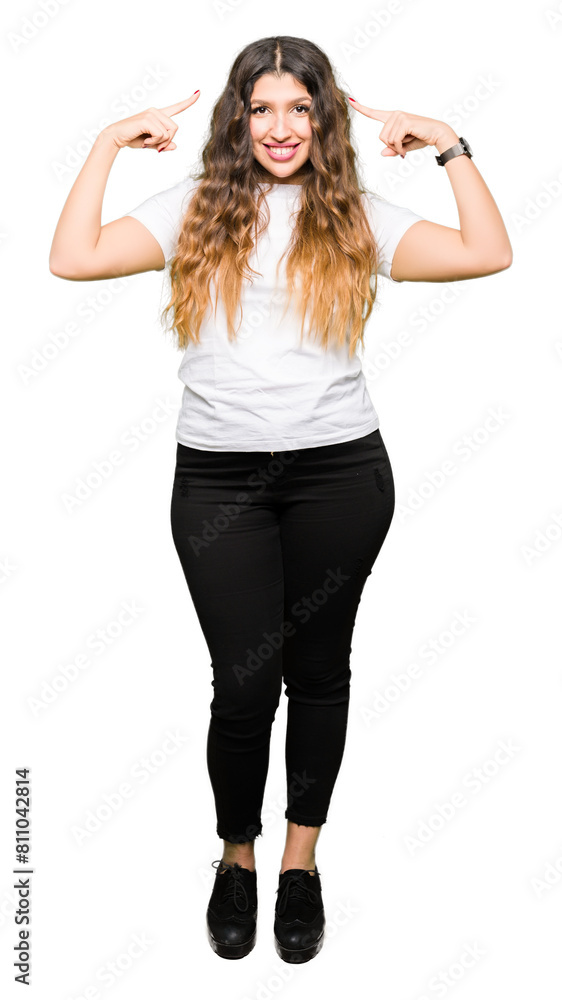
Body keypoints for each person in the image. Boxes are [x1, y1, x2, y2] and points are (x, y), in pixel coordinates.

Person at [49, 35, 512, 964]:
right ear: (237, 119)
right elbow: (73, 257)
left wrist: (452, 145)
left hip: (340, 475)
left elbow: (487, 251)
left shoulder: (356, 219)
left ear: (324, 119)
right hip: (220, 479)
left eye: (300, 108)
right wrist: (104, 143)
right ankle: (237, 860)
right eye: (262, 108)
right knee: (245, 682)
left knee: (320, 672)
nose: (281, 127)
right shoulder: (192, 209)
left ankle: (301, 864)